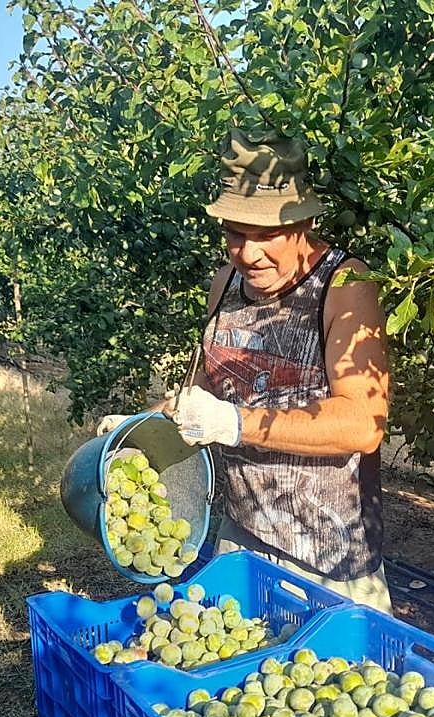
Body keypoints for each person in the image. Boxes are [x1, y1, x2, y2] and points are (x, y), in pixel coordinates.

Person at [99, 128, 392, 613]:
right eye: (236, 233)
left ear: (305, 222)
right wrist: (139, 427)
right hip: (241, 535)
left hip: (327, 557)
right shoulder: (226, 284)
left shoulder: (344, 287)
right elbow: (205, 389)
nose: (249, 254)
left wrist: (234, 424)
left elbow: (363, 424)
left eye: (267, 234)